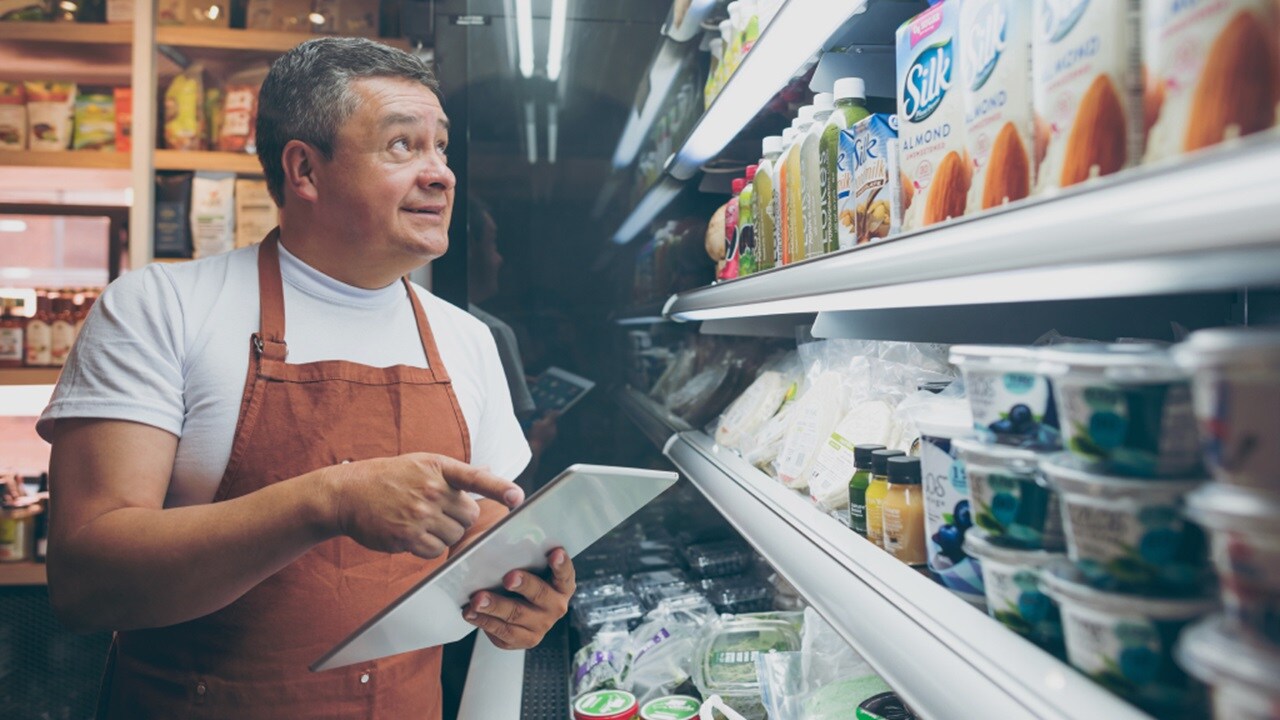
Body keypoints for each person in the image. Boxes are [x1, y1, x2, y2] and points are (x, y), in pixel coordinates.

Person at [36, 37, 574, 719]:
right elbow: (86, 584)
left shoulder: (464, 340)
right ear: (304, 170)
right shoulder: (160, 307)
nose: (440, 174)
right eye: (402, 147)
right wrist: (326, 499)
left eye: (440, 147)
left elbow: (491, 555)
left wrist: (526, 601)